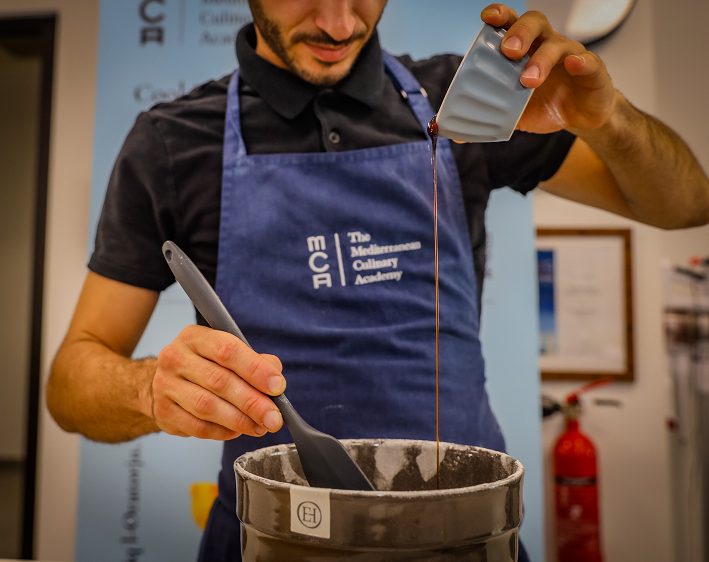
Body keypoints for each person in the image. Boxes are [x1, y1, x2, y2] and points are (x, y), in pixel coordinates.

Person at [47, 1, 709, 560]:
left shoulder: (464, 106)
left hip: (466, 535)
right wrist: (148, 389)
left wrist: (609, 119)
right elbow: (71, 385)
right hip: (274, 538)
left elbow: (684, 205)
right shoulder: (171, 144)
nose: (338, 22)